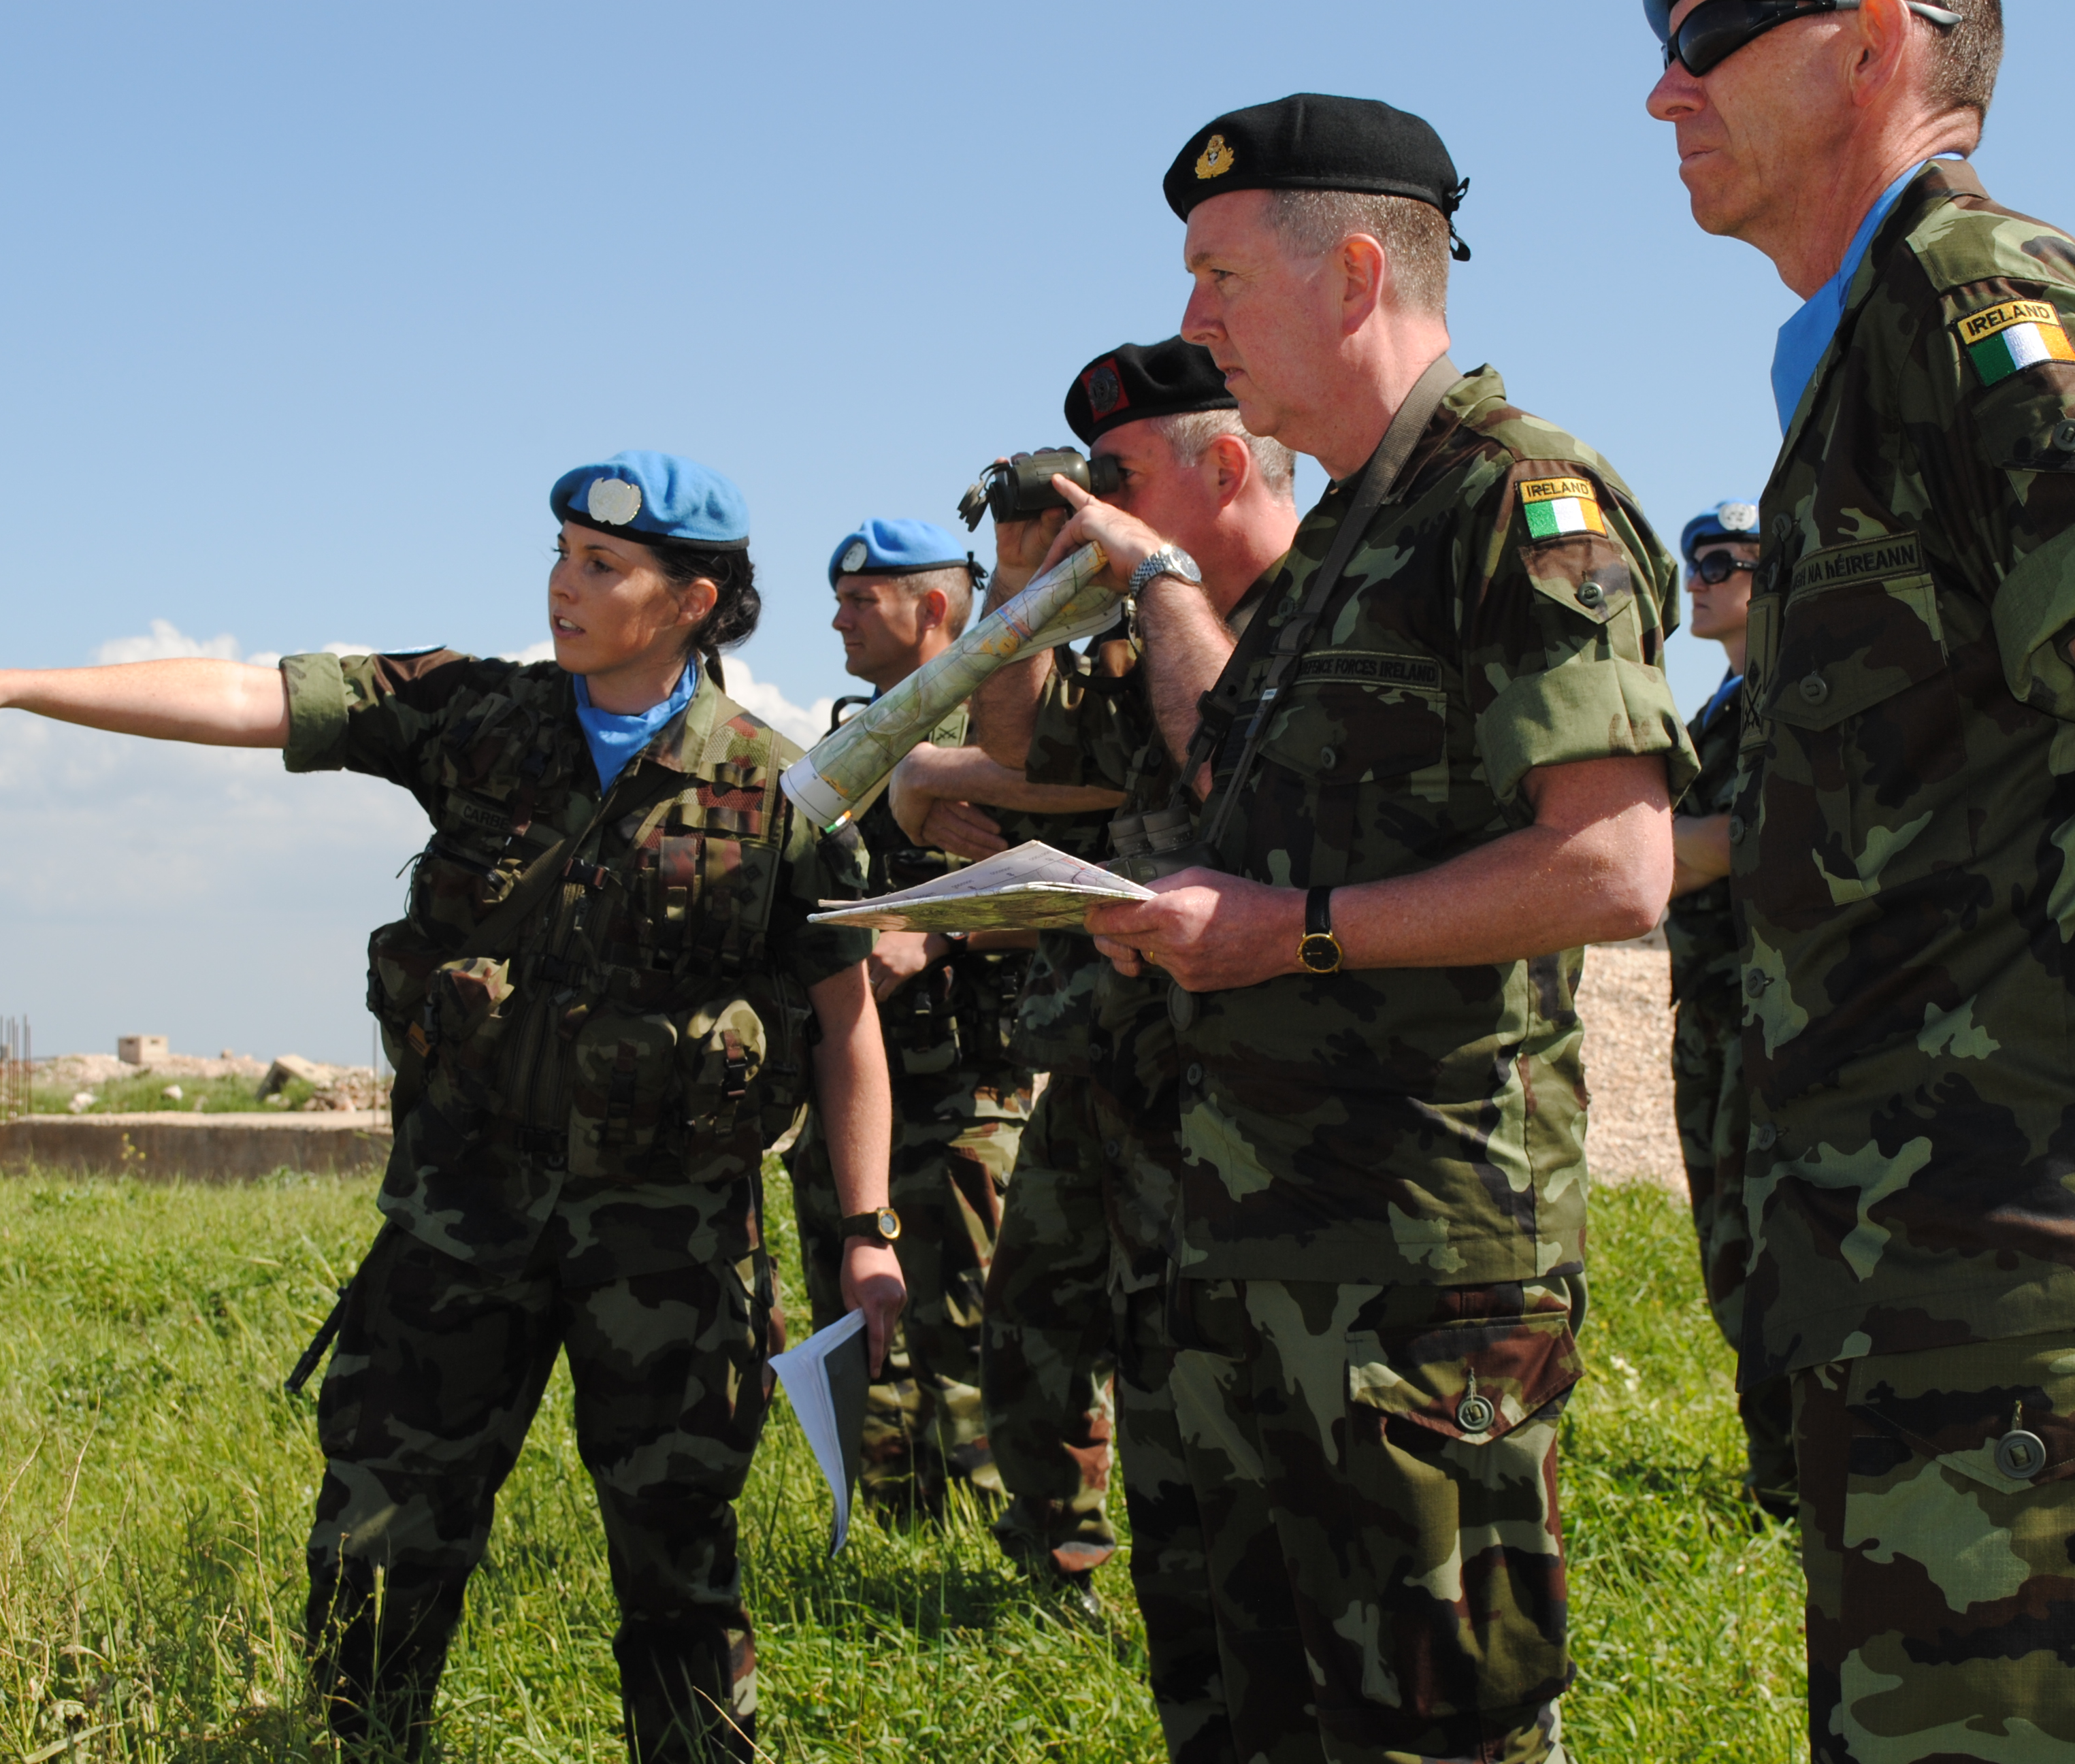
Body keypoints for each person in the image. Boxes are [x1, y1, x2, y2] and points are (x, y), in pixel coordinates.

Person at [0, 451, 904, 1764]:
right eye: (561, 553)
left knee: (678, 1564)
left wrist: (868, 1228)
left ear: (693, 600)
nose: (560, 587)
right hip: (459, 1225)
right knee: (382, 1542)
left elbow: (848, 1026)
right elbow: (256, 695)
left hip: (671, 1246)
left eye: (601, 566)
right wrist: (20, 689)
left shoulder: (780, 793)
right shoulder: (473, 715)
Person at [1646, 2, 2075, 1755]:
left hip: (2029, 1269)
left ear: (1868, 39)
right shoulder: (1865, 345)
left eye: (1702, 32)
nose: (1661, 84)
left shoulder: (1970, 301)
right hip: (1925, 1276)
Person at [1062, 97, 1691, 1764]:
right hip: (1257, 1249)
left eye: (1217, 282)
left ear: (1353, 275)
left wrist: (1293, 933)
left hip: (1418, 1275)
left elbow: (1614, 869)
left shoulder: (1517, 502)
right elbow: (1238, 797)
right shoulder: (1342, 533)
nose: (1195, 326)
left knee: (1433, 1729)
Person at [920, 336, 1298, 1758]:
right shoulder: (1141, 630)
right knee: (1112, 1369)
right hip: (1118, 1066)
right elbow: (1018, 742)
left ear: (1218, 467)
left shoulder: (1310, 621)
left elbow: (1232, 765)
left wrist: (1150, 576)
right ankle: (1076, 1571)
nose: (1101, 511)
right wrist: (1023, 598)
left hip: (1265, 1100)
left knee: (1241, 1429)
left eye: (1118, 483)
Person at [788, 517, 1029, 1521]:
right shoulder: (852, 745)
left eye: (861, 601)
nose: (838, 619)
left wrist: (937, 934)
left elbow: (1086, 887)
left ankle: (980, 1543)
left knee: (972, 1341)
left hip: (965, 1089)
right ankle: (880, 1531)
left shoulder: (1014, 740)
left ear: (933, 609)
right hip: (852, 1095)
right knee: (856, 1331)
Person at [1663, 497, 1797, 1520]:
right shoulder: (1719, 707)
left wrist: (1613, 861)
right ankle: (1778, 1472)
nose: (1698, 578)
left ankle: (1796, 1483)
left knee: (1775, 1253)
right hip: (1710, 1009)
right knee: (1729, 1250)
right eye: (1693, 560)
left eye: (1721, 560)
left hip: (1776, 1019)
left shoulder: (1795, 699)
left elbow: (1745, 841)